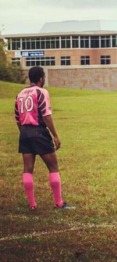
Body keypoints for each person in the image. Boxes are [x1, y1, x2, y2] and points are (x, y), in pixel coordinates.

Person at [14, 66, 73, 210]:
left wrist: (24, 133)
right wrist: (55, 135)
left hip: (24, 132)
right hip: (39, 132)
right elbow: (46, 116)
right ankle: (59, 203)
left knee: (28, 169)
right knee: (53, 167)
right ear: (41, 78)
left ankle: (32, 204)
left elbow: (17, 118)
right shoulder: (41, 92)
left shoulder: (20, 94)